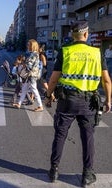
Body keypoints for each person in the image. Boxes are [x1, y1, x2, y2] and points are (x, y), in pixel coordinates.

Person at [44, 21, 111, 187]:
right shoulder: (96, 52)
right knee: (88, 137)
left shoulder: (65, 51)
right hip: (89, 103)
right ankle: (87, 175)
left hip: (67, 101)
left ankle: (53, 171)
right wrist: (109, 100)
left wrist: (48, 95)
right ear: (86, 35)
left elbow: (53, 79)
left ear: (72, 35)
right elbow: (106, 80)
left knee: (60, 135)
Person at [13, 39, 44, 112]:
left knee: (34, 90)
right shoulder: (33, 54)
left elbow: (29, 66)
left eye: (28, 45)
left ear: (32, 46)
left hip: (31, 75)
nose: (27, 46)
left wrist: (23, 64)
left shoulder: (34, 54)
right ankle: (19, 104)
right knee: (24, 89)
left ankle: (40, 106)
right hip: (29, 75)